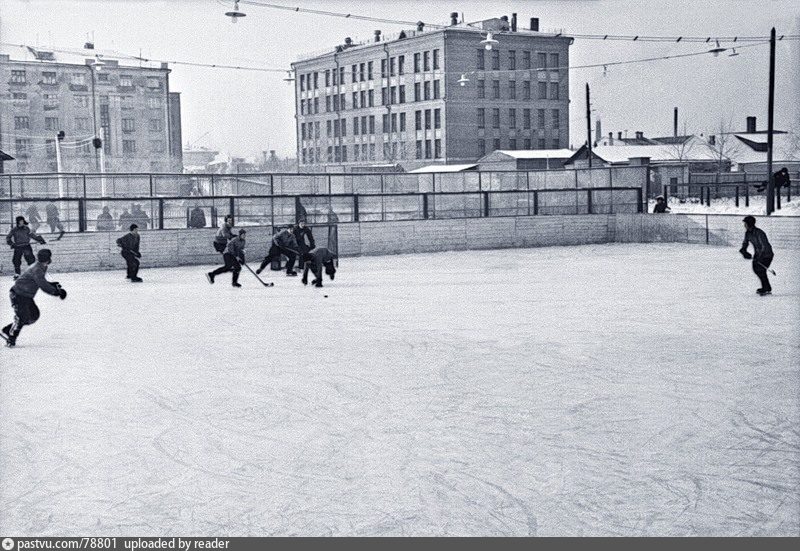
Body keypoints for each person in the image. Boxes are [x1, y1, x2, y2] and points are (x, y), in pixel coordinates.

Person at [1, 248, 66, 348]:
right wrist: (56, 292)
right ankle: (10, 336)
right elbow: (42, 284)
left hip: (26, 295)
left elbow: (41, 281)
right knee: (22, 317)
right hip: (18, 294)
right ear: (48, 258)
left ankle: (9, 329)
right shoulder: (37, 269)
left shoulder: (41, 266)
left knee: (33, 316)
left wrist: (52, 285)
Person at [739, 215, 774, 296]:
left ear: (749, 224)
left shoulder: (759, 233)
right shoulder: (748, 233)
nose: (744, 225)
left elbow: (764, 246)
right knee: (756, 269)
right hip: (758, 254)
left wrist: (759, 257)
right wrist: (743, 250)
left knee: (760, 269)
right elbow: (745, 242)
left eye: (745, 223)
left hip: (767, 254)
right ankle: (766, 287)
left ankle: (766, 288)